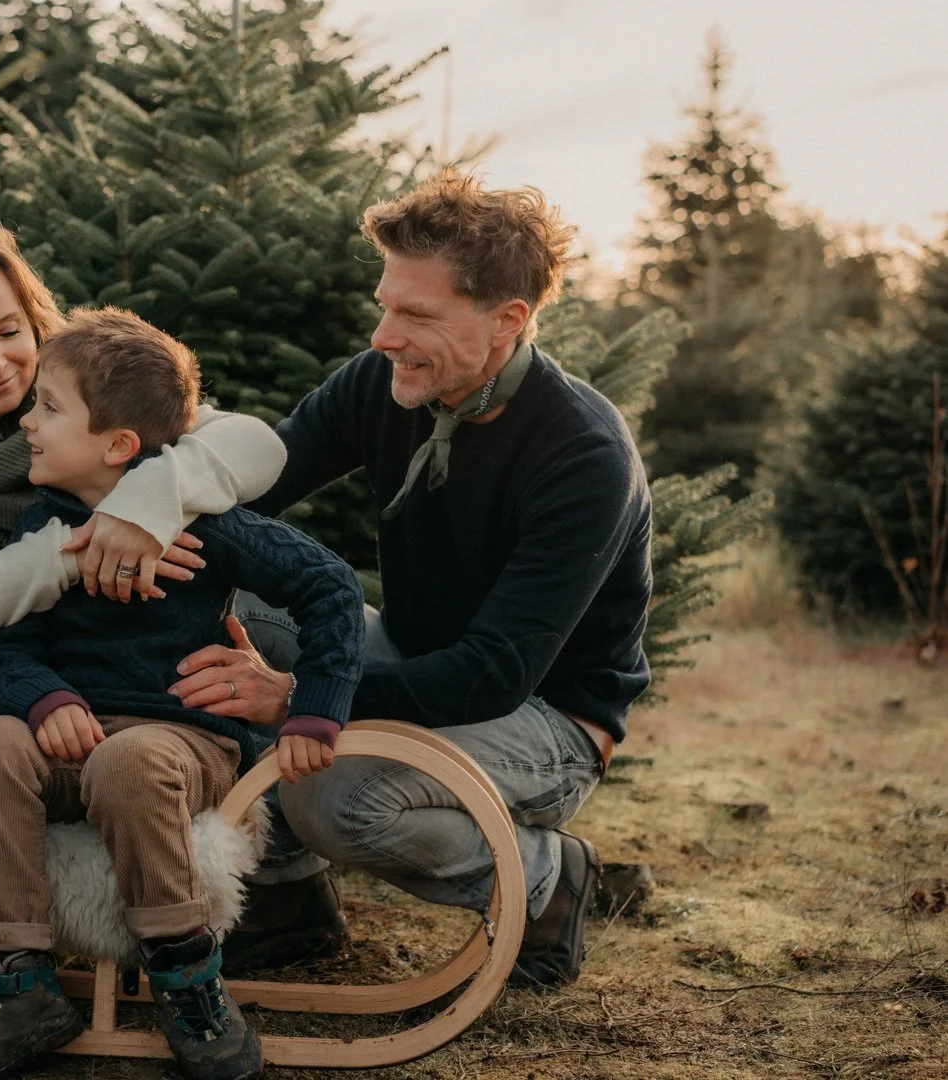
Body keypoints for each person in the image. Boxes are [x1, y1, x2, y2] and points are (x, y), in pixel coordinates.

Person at [169, 171, 653, 988]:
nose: (386, 335)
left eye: (417, 315)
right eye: (385, 305)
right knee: (222, 595)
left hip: (544, 719)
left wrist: (297, 698)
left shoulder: (584, 457)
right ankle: (286, 903)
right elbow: (249, 496)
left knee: (333, 798)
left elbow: (491, 675)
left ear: (509, 321)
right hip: (407, 650)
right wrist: (142, 519)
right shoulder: (379, 385)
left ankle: (545, 880)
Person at [0, 308, 364, 1080]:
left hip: (180, 742)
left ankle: (188, 980)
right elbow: (7, 647)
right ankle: (14, 986)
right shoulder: (47, 527)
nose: (27, 422)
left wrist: (315, 705)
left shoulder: (205, 523)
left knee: (131, 760)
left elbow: (329, 587)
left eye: (48, 408)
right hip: (67, 739)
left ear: (118, 445)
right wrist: (46, 700)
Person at [0, 224, 288, 701]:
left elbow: (257, 444)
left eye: (10, 331)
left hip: (66, 673)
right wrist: (87, 546)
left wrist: (142, 505)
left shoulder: (79, 390)